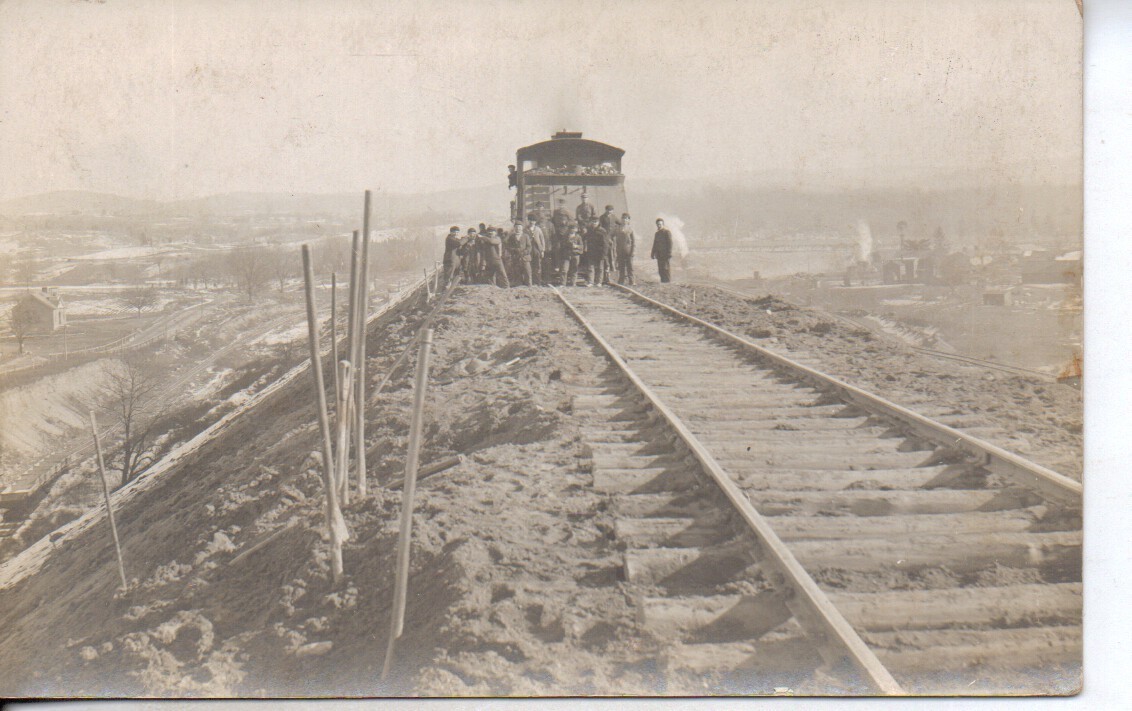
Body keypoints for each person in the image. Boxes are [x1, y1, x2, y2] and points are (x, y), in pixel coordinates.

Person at [583, 218, 608, 287]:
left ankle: (599, 282)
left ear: (598, 222)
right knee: (590, 268)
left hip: (600, 251)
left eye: (595, 222)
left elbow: (605, 243)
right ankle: (590, 282)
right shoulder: (589, 230)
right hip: (591, 251)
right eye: (593, 221)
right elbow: (585, 237)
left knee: (600, 268)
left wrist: (604, 253)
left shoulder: (602, 231)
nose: (594, 223)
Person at [614, 214, 636, 285]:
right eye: (623, 218)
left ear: (628, 220)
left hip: (628, 251)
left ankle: (632, 281)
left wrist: (632, 251)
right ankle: (621, 281)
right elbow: (611, 236)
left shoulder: (630, 229)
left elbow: (633, 241)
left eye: (626, 218)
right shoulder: (617, 229)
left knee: (630, 266)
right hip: (620, 250)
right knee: (621, 266)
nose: (624, 220)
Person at [510, 221, 533, 286]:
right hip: (516, 257)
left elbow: (529, 247)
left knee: (527, 271)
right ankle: (518, 285)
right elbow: (509, 246)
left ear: (522, 228)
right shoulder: (512, 236)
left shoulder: (526, 236)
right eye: (516, 227)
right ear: (514, 228)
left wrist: (524, 252)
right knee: (517, 272)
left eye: (519, 227)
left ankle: (529, 285)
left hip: (525, 257)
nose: (518, 229)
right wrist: (514, 250)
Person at [651, 218, 673, 283]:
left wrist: (669, 253)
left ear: (663, 224)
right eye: (658, 224)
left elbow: (670, 243)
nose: (659, 226)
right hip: (659, 254)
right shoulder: (657, 234)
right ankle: (663, 282)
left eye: (660, 224)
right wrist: (652, 253)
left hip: (665, 254)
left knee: (666, 269)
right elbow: (655, 244)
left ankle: (668, 283)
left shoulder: (667, 232)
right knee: (660, 270)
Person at [527, 215, 545, 285]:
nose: (532, 222)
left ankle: (538, 281)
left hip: (537, 249)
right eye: (530, 220)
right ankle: (530, 282)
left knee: (537, 265)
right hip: (529, 249)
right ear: (528, 221)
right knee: (530, 265)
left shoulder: (538, 229)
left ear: (535, 222)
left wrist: (542, 250)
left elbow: (542, 239)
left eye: (533, 221)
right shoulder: (525, 229)